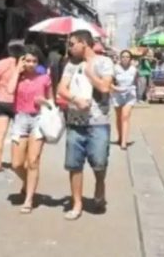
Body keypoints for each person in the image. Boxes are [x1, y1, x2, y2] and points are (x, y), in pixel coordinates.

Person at [56, 29, 114, 221]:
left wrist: (90, 74)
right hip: (75, 121)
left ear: (84, 43)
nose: (69, 48)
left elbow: (105, 87)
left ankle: (100, 185)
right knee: (74, 165)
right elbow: (61, 88)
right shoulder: (71, 65)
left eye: (72, 44)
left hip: (98, 122)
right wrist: (75, 98)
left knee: (99, 162)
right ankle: (77, 203)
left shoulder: (104, 62)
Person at [6, 45, 53, 214]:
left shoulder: (44, 79)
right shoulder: (17, 77)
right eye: (27, 60)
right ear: (22, 61)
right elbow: (9, 90)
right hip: (20, 119)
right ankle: (27, 184)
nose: (31, 64)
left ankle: (29, 198)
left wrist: (45, 102)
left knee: (33, 161)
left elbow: (51, 102)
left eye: (34, 61)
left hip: (38, 120)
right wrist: (17, 71)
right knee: (16, 163)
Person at [0, 43, 23, 172]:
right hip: (17, 102)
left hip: (1, 99)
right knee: (18, 133)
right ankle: (16, 162)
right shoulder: (23, 66)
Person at [111, 50, 138, 150]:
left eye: (127, 57)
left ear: (130, 59)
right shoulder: (115, 68)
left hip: (129, 94)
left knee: (125, 116)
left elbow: (136, 81)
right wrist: (114, 87)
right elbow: (109, 81)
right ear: (120, 58)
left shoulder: (134, 69)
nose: (125, 58)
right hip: (117, 94)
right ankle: (120, 137)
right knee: (118, 117)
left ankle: (124, 142)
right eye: (123, 56)